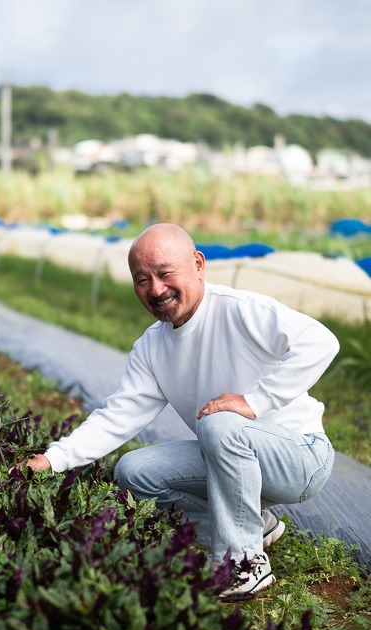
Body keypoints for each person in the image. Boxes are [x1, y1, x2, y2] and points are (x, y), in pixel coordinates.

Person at [20, 223, 339, 598]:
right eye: (142, 280)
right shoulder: (152, 348)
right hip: (233, 456)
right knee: (134, 472)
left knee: (221, 423)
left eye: (165, 273)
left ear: (198, 264)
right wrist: (53, 459)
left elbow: (321, 342)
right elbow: (117, 417)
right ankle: (257, 527)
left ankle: (244, 563)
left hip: (300, 457)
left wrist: (256, 402)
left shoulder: (239, 311)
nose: (156, 289)